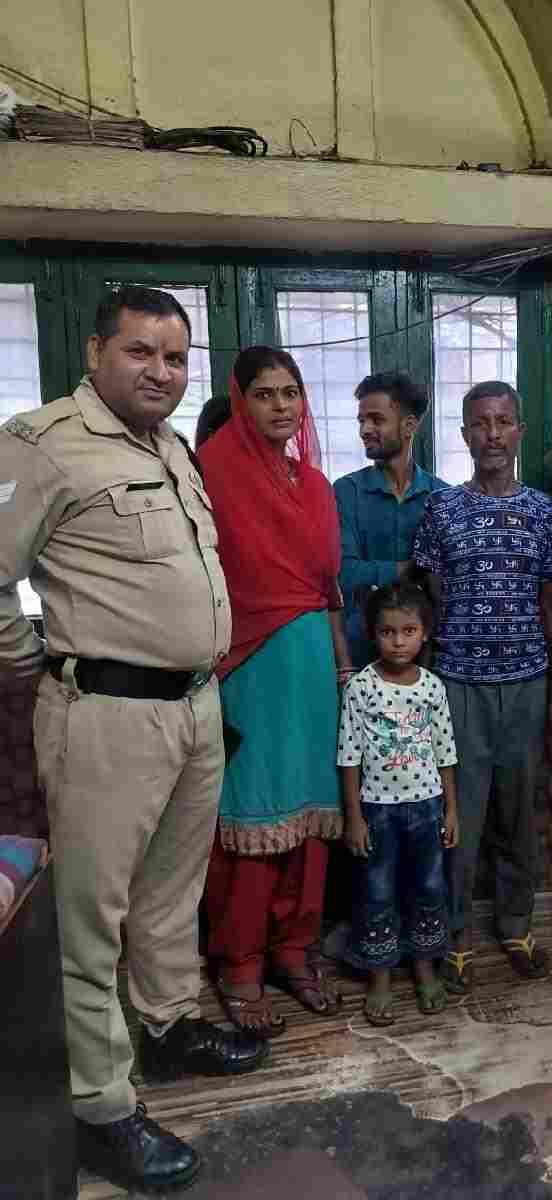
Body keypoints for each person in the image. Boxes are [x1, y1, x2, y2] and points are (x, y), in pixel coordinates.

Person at [0, 286, 267, 1194]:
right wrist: (36, 661)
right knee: (91, 921)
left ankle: (166, 1028)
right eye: (141, 352)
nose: (162, 371)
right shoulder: (44, 444)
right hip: (105, 716)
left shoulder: (171, 447)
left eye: (177, 357)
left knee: (169, 896)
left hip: (193, 709)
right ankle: (100, 1111)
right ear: (94, 353)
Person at [199, 346, 351, 1036]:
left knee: (312, 815)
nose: (281, 406)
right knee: (253, 816)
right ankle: (240, 964)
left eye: (291, 392)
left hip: (312, 663)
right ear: (240, 401)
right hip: (248, 665)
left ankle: (294, 949)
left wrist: (342, 667)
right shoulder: (210, 474)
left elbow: (327, 588)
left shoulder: (313, 484)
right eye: (264, 394)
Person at [413, 381, 552, 994]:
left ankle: (516, 924)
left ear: (520, 431)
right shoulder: (443, 511)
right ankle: (454, 935)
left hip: (527, 684)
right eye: (480, 424)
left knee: (519, 813)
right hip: (458, 686)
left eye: (503, 421)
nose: (493, 434)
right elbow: (433, 603)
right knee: (459, 817)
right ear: (464, 434)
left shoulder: (544, 512)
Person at [338, 581, 459, 1025]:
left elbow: (445, 750)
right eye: (388, 632)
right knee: (378, 892)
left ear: (424, 633)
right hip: (378, 810)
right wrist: (354, 817)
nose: (398, 641)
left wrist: (451, 810)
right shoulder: (361, 687)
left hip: (427, 807)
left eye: (408, 631)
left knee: (429, 888)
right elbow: (349, 754)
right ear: (373, 634)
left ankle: (425, 968)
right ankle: (381, 977)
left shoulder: (432, 687)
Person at [334, 372, 446, 668]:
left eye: (376, 419)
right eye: (361, 420)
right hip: (360, 656)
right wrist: (411, 569)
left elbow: (447, 583)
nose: (365, 429)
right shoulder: (346, 491)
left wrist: (377, 572)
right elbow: (344, 573)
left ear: (409, 426)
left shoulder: (442, 496)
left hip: (426, 661)